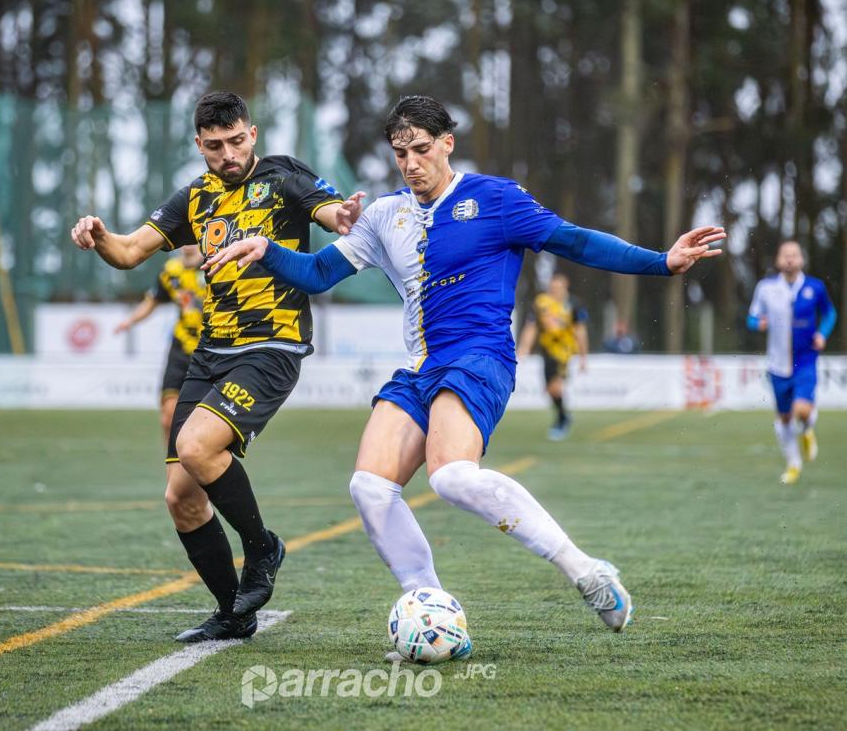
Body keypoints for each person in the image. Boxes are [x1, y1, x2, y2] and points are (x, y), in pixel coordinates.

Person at [208, 95, 725, 652]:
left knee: (452, 476)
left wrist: (661, 261)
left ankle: (585, 570)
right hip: (420, 366)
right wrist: (265, 249)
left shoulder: (494, 198)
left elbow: (573, 240)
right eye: (400, 152)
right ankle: (431, 609)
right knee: (370, 487)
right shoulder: (384, 215)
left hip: (480, 357)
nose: (410, 163)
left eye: (422, 149)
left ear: (447, 144)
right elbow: (315, 274)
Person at [71, 91, 347, 642]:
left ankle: (263, 548)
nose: (228, 153)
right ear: (199, 145)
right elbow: (129, 252)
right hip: (210, 352)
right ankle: (233, 613)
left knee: (198, 447)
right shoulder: (195, 198)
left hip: (272, 346)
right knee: (181, 497)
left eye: (237, 140)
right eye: (215, 145)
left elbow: (331, 211)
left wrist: (346, 214)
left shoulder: (282, 177)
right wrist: (100, 237)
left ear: (254, 134)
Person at [747, 240, 837, 484]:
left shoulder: (814, 287)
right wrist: (759, 324)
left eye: (794, 255)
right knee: (785, 419)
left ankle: (807, 429)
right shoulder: (766, 288)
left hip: (806, 360)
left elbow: (830, 313)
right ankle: (793, 464)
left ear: (801, 260)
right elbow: (751, 318)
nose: (789, 259)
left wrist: (822, 334)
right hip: (777, 364)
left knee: (802, 409)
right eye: (785, 255)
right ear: (777, 260)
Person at [114, 244, 205, 443]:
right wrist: (129, 321)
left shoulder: (214, 267)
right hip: (180, 348)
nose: (188, 242)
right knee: (168, 417)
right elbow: (152, 301)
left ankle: (199, 467)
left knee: (202, 423)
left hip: (209, 350)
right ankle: (173, 468)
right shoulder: (171, 271)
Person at [516, 273, 589, 440]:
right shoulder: (542, 303)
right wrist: (524, 348)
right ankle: (564, 415)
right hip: (547, 350)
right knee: (549, 389)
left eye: (559, 288)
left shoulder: (573, 304)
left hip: (564, 352)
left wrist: (583, 357)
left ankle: (562, 420)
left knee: (556, 386)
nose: (555, 291)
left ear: (566, 287)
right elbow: (531, 326)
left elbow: (580, 331)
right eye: (553, 288)